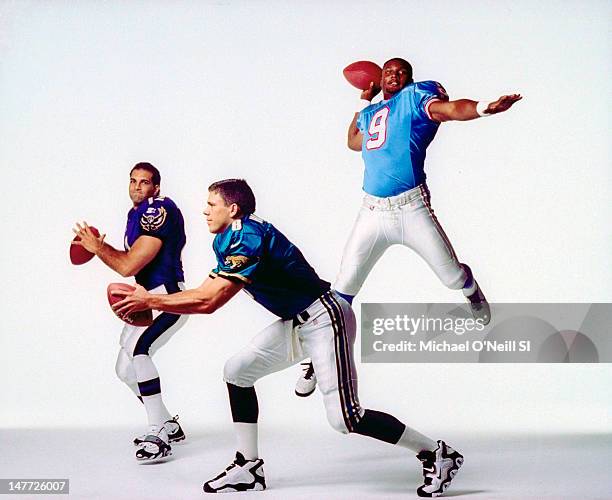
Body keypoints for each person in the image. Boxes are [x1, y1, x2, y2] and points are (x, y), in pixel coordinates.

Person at [112, 178, 464, 497]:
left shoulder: (246, 236)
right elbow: (207, 292)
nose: (204, 209)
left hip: (326, 318)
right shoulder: (227, 237)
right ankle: (249, 467)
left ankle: (436, 452)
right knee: (237, 371)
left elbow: (209, 301)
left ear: (232, 209)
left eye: (212, 203)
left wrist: (150, 300)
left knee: (345, 419)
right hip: (297, 322)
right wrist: (153, 300)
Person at [294, 57, 522, 397]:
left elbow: (449, 109)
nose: (394, 75)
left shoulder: (416, 99)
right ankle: (320, 355)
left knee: (451, 276)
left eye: (401, 72)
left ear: (409, 79)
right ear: (380, 78)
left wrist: (485, 108)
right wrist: (364, 100)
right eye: (388, 71)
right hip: (371, 211)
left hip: (410, 207)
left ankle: (470, 288)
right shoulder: (373, 112)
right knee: (343, 288)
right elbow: (353, 141)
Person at [72, 162, 188, 462]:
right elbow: (128, 262)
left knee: (140, 351)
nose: (137, 187)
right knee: (124, 369)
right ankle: (168, 424)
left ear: (156, 187)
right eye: (133, 181)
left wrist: (98, 248)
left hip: (167, 295)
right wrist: (100, 247)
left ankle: (157, 434)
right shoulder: (134, 213)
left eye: (144, 182)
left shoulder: (156, 211)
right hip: (145, 296)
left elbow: (129, 265)